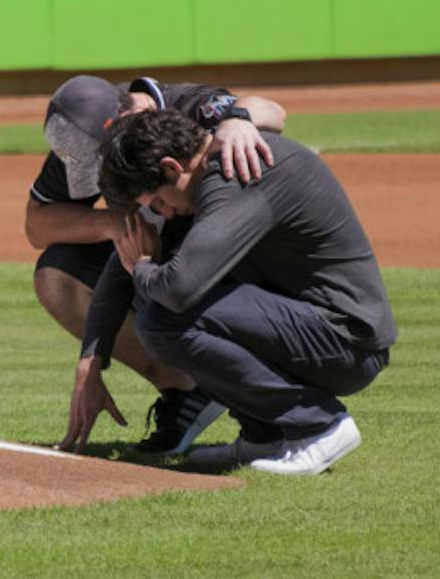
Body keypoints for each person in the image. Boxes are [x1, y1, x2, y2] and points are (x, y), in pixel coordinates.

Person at [63, 107, 395, 475]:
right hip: (318, 330)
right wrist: (93, 358)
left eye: (157, 202)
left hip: (345, 340)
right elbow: (132, 273)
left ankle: (319, 425)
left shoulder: (236, 172)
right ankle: (264, 435)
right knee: (156, 301)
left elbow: (178, 290)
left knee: (164, 319)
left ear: (173, 168)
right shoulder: (207, 177)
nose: (164, 213)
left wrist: (142, 267)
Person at [28, 74, 287, 454]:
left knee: (182, 282)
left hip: (233, 259)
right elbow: (37, 224)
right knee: (57, 273)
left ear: (124, 120)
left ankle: (270, 402)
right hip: (165, 258)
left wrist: (238, 119)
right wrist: (114, 224)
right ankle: (186, 390)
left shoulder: (188, 105)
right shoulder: (84, 135)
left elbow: (274, 111)